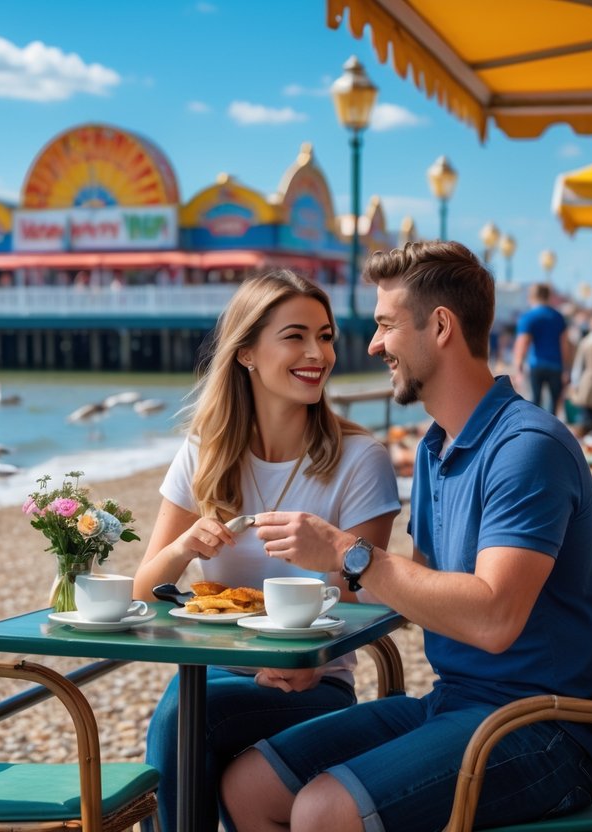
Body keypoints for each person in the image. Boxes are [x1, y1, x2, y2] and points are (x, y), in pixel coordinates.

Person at [221, 241, 592, 831]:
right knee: (250, 784)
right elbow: (416, 590)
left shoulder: (527, 448)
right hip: (454, 703)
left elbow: (493, 618)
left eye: (385, 325)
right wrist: (312, 646)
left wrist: (352, 553)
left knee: (323, 810)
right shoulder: (435, 447)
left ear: (442, 326)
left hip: (541, 728)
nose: (374, 345)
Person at [133, 270, 400, 832]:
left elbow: (368, 597)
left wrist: (316, 650)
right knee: (185, 715)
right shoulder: (203, 452)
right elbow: (144, 591)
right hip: (211, 673)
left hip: (313, 681)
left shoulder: (360, 459)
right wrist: (185, 545)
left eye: (325, 336)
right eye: (296, 336)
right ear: (247, 352)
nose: (317, 353)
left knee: (182, 720)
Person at [513, 282, 572, 415]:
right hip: (556, 365)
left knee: (535, 403)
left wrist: (518, 366)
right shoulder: (558, 317)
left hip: (536, 365)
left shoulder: (528, 317)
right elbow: (564, 344)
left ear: (532, 297)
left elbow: (523, 343)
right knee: (554, 405)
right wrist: (566, 367)